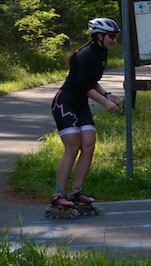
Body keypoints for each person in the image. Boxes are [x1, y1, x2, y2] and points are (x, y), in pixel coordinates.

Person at [48, 17, 122, 215]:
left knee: (89, 145)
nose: (115, 40)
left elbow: (92, 81)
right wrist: (105, 102)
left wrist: (106, 94)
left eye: (116, 36)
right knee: (73, 147)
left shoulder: (101, 53)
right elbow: (83, 86)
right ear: (99, 36)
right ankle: (58, 194)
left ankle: (76, 192)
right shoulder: (87, 54)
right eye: (112, 36)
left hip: (80, 104)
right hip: (65, 103)